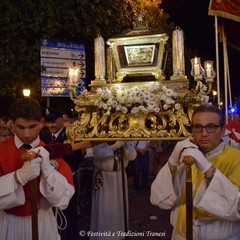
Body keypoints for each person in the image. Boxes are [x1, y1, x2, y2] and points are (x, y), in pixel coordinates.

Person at [150, 104, 240, 240]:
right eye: (198, 127)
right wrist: (173, 162)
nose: (204, 133)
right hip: (181, 234)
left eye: (211, 127)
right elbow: (159, 200)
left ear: (222, 130)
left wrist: (207, 169)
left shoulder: (236, 158)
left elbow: (237, 208)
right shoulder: (185, 155)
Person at [0, 98, 74, 240]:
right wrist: (17, 177)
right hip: (7, 223)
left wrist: (48, 171)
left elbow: (64, 199)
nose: (26, 134)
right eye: (21, 127)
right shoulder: (1, 150)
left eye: (32, 127)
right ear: (12, 125)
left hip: (43, 223)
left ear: (40, 123)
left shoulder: (52, 153)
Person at [43, 108, 82, 240]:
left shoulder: (72, 135)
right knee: (52, 215)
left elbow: (75, 162)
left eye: (53, 122)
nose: (50, 125)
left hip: (67, 180)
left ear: (62, 119)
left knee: (69, 215)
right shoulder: (46, 136)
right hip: (49, 183)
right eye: (48, 122)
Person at [90, 141, 136, 239]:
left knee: (118, 207)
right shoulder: (100, 139)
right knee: (104, 208)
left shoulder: (123, 141)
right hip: (104, 178)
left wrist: (127, 146)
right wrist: (114, 147)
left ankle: (118, 235)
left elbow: (132, 156)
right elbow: (97, 153)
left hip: (119, 177)